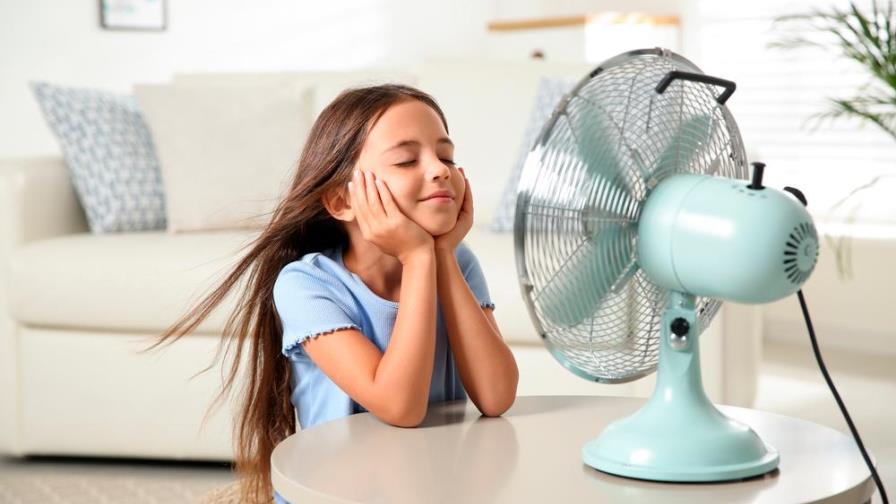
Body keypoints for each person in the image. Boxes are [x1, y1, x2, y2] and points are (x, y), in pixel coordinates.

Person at [153, 83, 519, 504]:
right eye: (406, 160)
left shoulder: (456, 261)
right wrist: (419, 258)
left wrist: (441, 256)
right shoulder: (306, 285)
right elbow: (401, 406)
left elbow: (496, 397)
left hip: (428, 491)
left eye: (447, 156)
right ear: (342, 200)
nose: (440, 170)